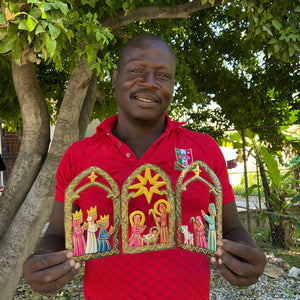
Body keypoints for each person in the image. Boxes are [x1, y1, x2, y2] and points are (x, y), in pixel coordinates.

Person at [23, 33, 266, 299]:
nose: (149, 83)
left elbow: (231, 228)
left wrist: (246, 256)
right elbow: (58, 234)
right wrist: (44, 260)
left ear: (173, 85)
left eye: (163, 76)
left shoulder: (204, 150)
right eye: (137, 70)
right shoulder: (79, 156)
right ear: (115, 78)